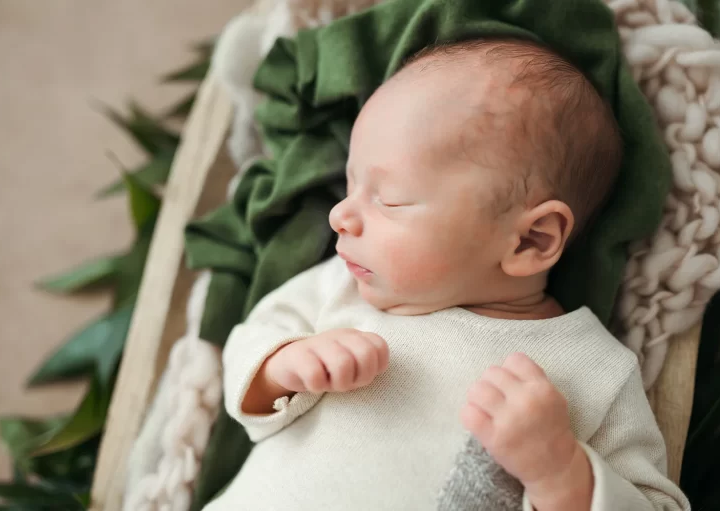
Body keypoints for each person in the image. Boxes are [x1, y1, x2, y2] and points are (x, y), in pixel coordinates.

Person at [206, 38, 691, 510]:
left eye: (390, 199)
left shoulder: (591, 369)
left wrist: (562, 474)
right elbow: (251, 340)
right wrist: (283, 366)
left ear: (530, 240)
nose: (340, 215)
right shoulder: (343, 285)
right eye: (351, 184)